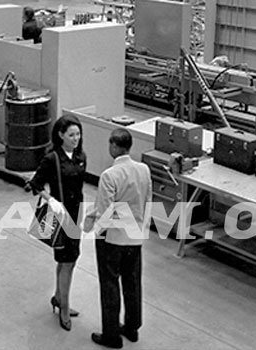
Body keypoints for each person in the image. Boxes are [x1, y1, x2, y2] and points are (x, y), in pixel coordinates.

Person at [84, 128, 152, 349]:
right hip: (135, 237)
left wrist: (96, 232)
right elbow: (148, 201)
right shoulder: (143, 170)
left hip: (113, 240)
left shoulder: (109, 175)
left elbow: (105, 212)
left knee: (110, 285)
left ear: (113, 146)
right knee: (132, 283)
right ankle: (132, 328)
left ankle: (111, 335)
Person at [29, 114, 88, 332]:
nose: (76, 138)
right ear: (61, 135)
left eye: (78, 134)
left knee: (68, 260)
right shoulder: (52, 159)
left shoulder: (81, 156)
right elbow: (35, 184)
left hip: (76, 213)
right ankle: (64, 307)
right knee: (67, 260)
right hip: (61, 215)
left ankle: (58, 297)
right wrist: (51, 200)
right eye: (71, 135)